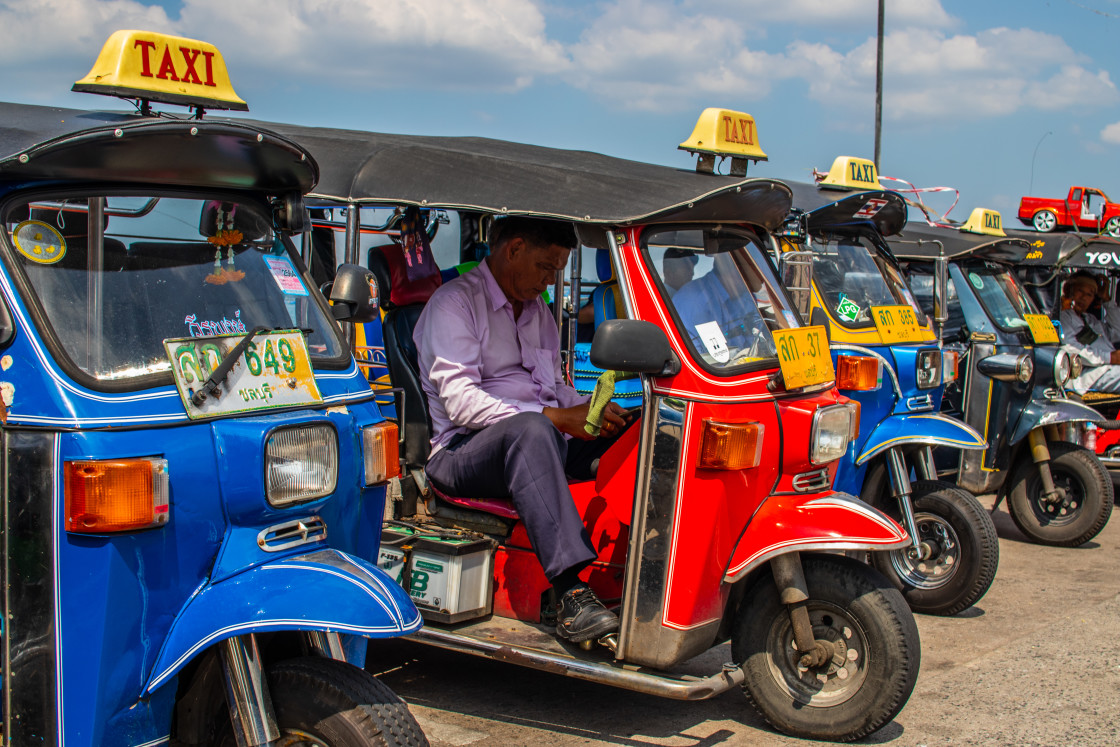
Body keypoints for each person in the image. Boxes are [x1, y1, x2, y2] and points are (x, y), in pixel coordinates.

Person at [413, 216, 630, 643]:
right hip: (462, 451)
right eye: (546, 267)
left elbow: (554, 387)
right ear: (513, 250)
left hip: (537, 437)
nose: (550, 280)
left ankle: (632, 561)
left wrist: (588, 410)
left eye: (557, 271)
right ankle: (570, 593)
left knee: (638, 428)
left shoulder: (538, 311)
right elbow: (461, 403)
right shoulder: (454, 304)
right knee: (531, 430)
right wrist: (552, 418)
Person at [1059, 271, 1120, 394]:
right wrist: (1110, 357)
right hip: (1090, 375)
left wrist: (1107, 300)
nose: (1084, 297)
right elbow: (1070, 349)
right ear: (1070, 290)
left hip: (1109, 370)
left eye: (1089, 294)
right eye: (1080, 291)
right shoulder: (1064, 318)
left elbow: (1117, 332)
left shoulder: (1090, 319)